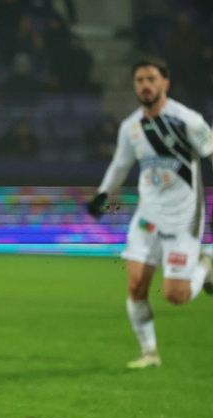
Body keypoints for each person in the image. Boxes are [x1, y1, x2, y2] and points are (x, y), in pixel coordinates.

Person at [87, 58, 213, 368]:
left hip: (184, 217)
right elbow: (120, 165)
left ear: (165, 84)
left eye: (151, 79)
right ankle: (149, 352)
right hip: (148, 215)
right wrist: (104, 195)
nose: (145, 84)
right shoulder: (131, 128)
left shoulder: (189, 122)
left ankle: (207, 264)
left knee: (176, 295)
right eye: (140, 80)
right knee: (135, 284)